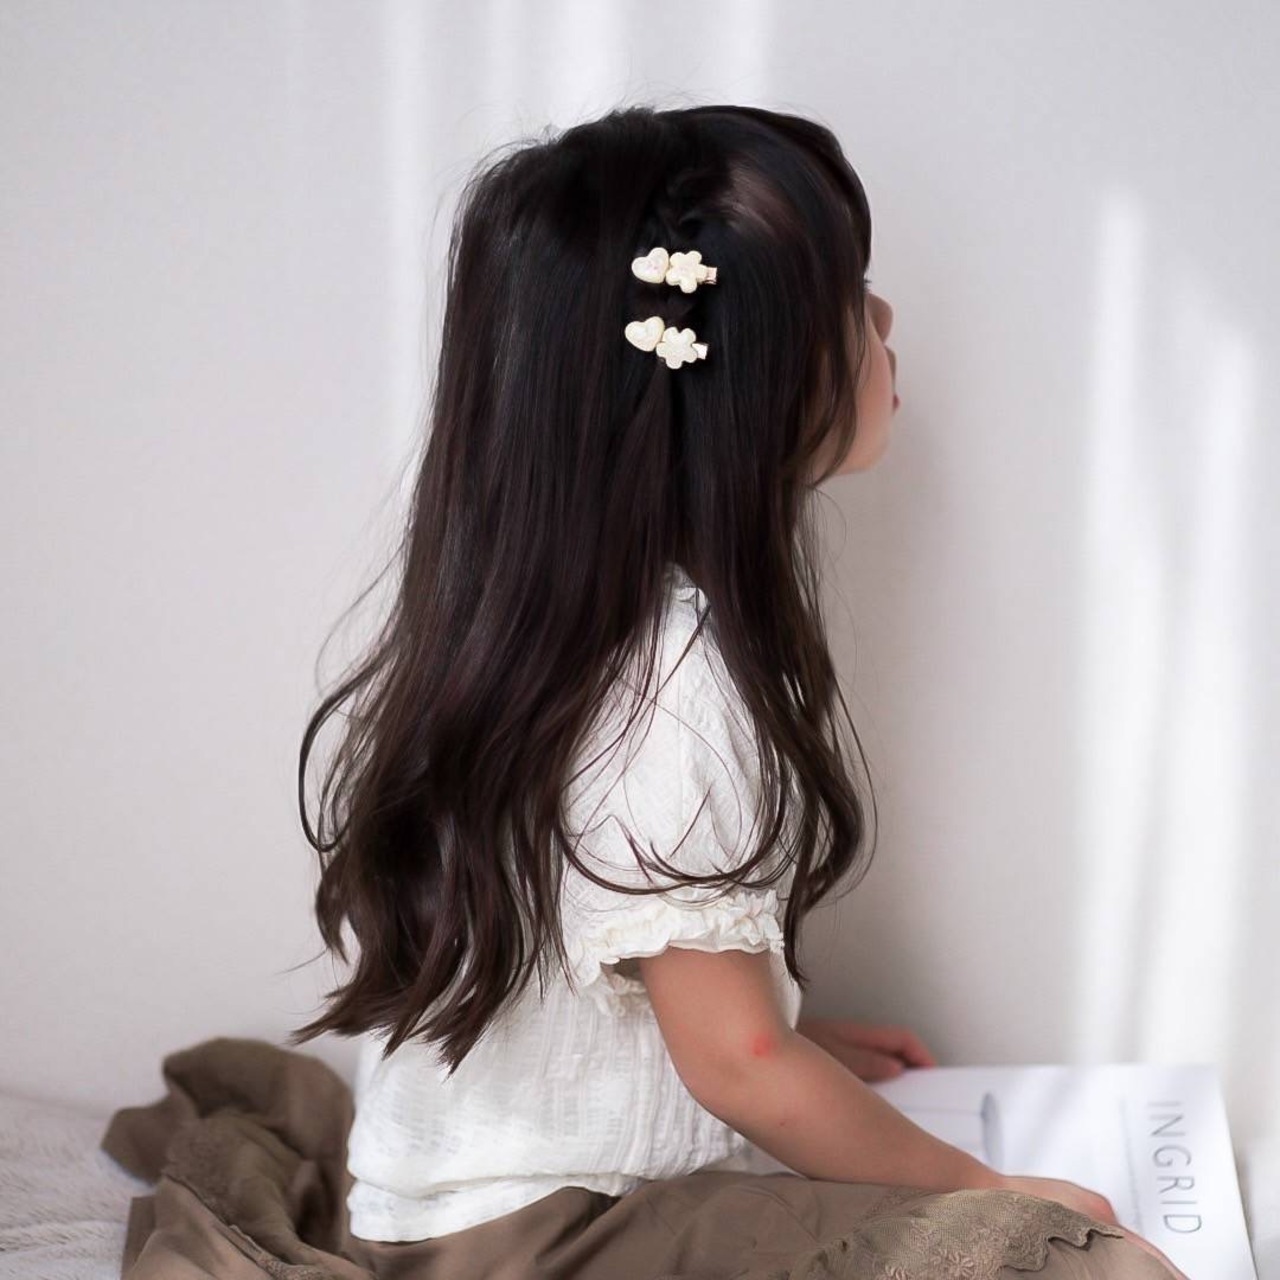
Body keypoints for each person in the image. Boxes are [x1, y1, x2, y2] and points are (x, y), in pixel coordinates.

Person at [286, 102, 1184, 1279]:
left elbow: (689, 1018)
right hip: (545, 1235)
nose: (886, 322)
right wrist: (984, 1188)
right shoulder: (676, 689)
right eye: (851, 299)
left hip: (451, 1211)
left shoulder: (550, 632)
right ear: (739, 392)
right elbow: (736, 1065)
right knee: (1073, 1257)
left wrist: (780, 1034)